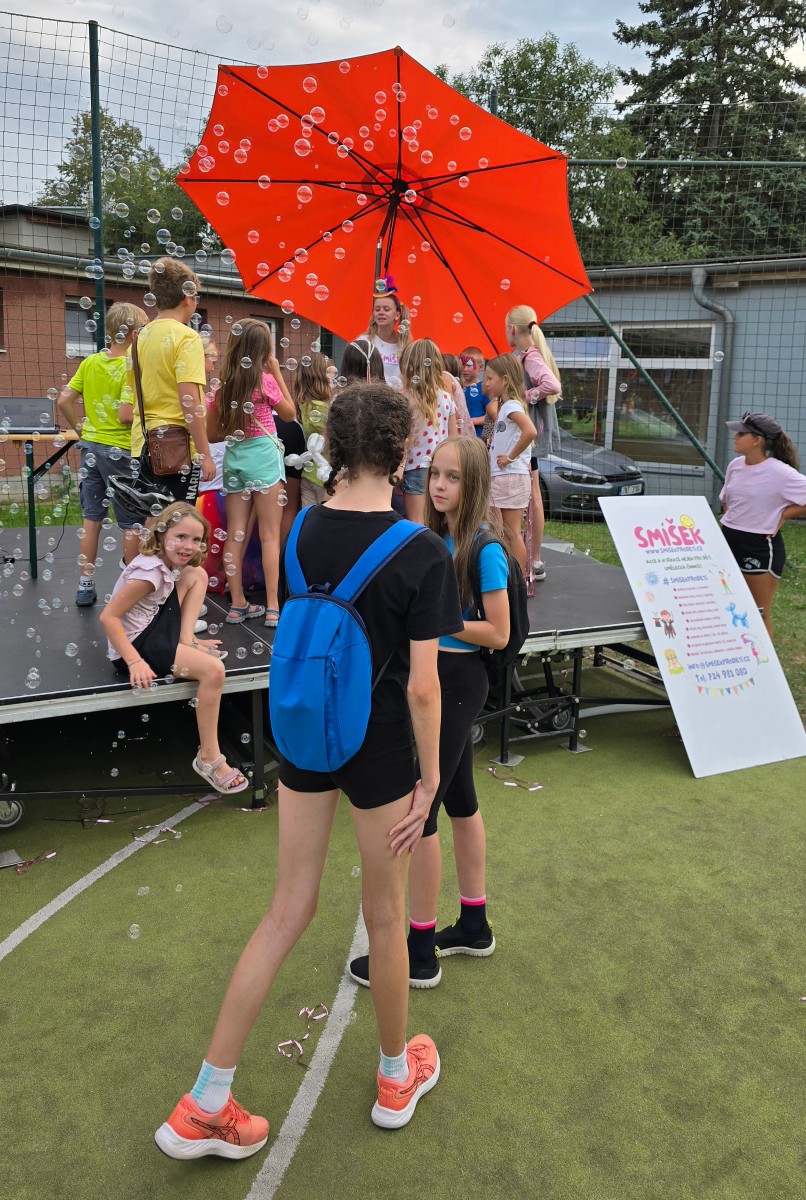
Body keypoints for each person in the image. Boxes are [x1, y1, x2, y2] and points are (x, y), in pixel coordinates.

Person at [154, 383, 463, 1161]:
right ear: (403, 452)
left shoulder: (299, 530)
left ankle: (207, 1100)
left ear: (337, 445)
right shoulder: (421, 550)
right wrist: (430, 780)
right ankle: (395, 1077)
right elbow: (424, 688)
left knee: (285, 910)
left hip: (303, 733)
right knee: (385, 917)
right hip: (381, 747)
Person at [349, 436, 508, 989]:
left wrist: (436, 622)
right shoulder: (434, 538)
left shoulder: (484, 548)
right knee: (461, 801)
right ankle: (474, 925)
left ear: (475, 483)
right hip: (436, 677)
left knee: (423, 813)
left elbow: (500, 631)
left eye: (453, 477)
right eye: (435, 473)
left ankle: (419, 952)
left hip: (457, 682)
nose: (438, 485)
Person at [100, 501, 247, 794]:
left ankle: (185, 640)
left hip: (152, 626)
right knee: (214, 671)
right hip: (136, 645)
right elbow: (108, 617)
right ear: (161, 534)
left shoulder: (165, 563)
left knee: (197, 574)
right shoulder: (149, 574)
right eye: (180, 537)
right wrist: (134, 662)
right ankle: (209, 757)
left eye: (195, 539)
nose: (188, 546)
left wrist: (188, 642)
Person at [58, 301, 149, 605]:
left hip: (91, 448)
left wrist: (82, 430)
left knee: (92, 517)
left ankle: (85, 585)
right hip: (120, 451)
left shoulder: (90, 362)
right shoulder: (131, 366)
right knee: (131, 521)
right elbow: (126, 416)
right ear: (135, 335)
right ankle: (131, 589)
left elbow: (63, 401)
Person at [208, 318, 295, 629]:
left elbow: (212, 434)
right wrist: (276, 371)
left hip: (235, 458)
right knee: (269, 535)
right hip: (264, 458)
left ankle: (237, 604)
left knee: (236, 533)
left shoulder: (222, 386)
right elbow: (290, 414)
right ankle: (272, 608)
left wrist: (235, 427)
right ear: (263, 350)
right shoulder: (265, 381)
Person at [125, 258, 216, 504]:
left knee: (153, 517)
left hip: (143, 444)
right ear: (188, 297)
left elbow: (135, 394)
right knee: (179, 519)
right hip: (177, 448)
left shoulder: (139, 339)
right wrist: (205, 454)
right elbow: (189, 401)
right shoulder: (187, 337)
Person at [720, 411, 806, 638]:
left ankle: (764, 660)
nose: (735, 437)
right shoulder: (735, 465)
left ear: (757, 440)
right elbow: (727, 501)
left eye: (741, 434)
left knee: (758, 613)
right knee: (727, 607)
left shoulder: (780, 472)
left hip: (758, 547)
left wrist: (783, 515)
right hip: (727, 540)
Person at [505, 306, 562, 581]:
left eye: (505, 328)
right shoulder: (527, 355)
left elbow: (552, 385)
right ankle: (532, 557)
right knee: (533, 493)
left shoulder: (532, 357)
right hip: (530, 435)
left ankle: (535, 559)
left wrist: (527, 396)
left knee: (533, 495)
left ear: (513, 330)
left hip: (531, 437)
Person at [485, 353, 538, 577]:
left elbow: (530, 431)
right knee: (507, 532)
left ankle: (519, 579)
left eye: (490, 378)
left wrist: (510, 457)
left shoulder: (511, 406)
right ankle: (514, 577)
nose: (487, 383)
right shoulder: (507, 407)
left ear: (505, 380)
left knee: (511, 533)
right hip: (506, 477)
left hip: (509, 476)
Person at [400, 339, 458, 523]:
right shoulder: (446, 398)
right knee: (438, 523)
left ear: (408, 365)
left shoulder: (403, 398)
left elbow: (400, 438)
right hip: (441, 468)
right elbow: (454, 440)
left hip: (415, 467)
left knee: (416, 523)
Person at [291, 350, 332, 508]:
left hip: (308, 474)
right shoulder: (325, 408)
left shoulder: (303, 405)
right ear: (321, 376)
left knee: (308, 517)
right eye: (329, 372)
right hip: (325, 475)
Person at [367, 275, 411, 388]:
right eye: (377, 309)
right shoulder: (364, 342)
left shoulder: (406, 345)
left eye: (386, 309)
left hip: (399, 397)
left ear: (397, 315)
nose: (381, 312)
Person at [440, 352, 475, 438]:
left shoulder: (445, 377)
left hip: (458, 435)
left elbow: (450, 407)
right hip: (465, 433)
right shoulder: (454, 381)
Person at [460, 346, 487, 437]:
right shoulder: (457, 387)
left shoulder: (484, 388)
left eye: (469, 365)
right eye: (462, 364)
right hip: (460, 438)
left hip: (477, 438)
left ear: (480, 367)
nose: (465, 369)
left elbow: (491, 417)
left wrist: (470, 421)